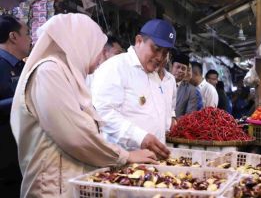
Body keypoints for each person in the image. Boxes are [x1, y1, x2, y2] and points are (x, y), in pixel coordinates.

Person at [10, 13, 157, 198]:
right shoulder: (48, 72)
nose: (101, 55)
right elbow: (75, 136)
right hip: (52, 189)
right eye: (98, 47)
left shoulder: (68, 75)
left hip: (68, 185)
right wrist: (124, 156)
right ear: (80, 43)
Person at [91, 19, 174, 159]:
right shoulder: (116, 67)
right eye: (156, 49)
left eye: (165, 52)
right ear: (139, 41)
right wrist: (140, 137)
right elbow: (103, 113)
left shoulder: (154, 76)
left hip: (153, 161)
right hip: (124, 162)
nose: (160, 57)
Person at [0, 14, 31, 197]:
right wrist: (22, 99)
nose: (30, 39)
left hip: (20, 156)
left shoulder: (21, 66)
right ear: (13, 36)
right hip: (4, 161)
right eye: (27, 33)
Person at [171, 52, 199, 117]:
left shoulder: (191, 90)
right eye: (178, 67)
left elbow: (189, 115)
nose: (180, 70)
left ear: (186, 72)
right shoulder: (161, 83)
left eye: (183, 68)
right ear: (172, 67)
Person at [154, 54, 177, 131]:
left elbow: (172, 105)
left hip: (167, 131)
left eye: (164, 54)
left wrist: (173, 117)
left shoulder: (171, 79)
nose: (160, 58)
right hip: (150, 131)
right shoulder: (146, 76)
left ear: (168, 58)